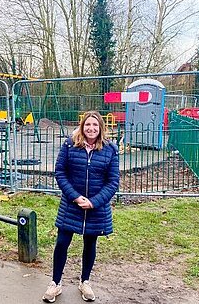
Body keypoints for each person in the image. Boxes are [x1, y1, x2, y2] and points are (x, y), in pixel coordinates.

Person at [42, 111, 120, 303]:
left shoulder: (110, 149)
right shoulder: (70, 145)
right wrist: (76, 197)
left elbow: (113, 182)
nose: (91, 128)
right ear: (82, 126)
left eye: (95, 125)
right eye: (87, 125)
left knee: (90, 244)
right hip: (71, 204)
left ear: (101, 127)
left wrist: (93, 202)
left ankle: (85, 281)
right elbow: (60, 172)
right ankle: (55, 283)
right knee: (61, 243)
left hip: (96, 207)